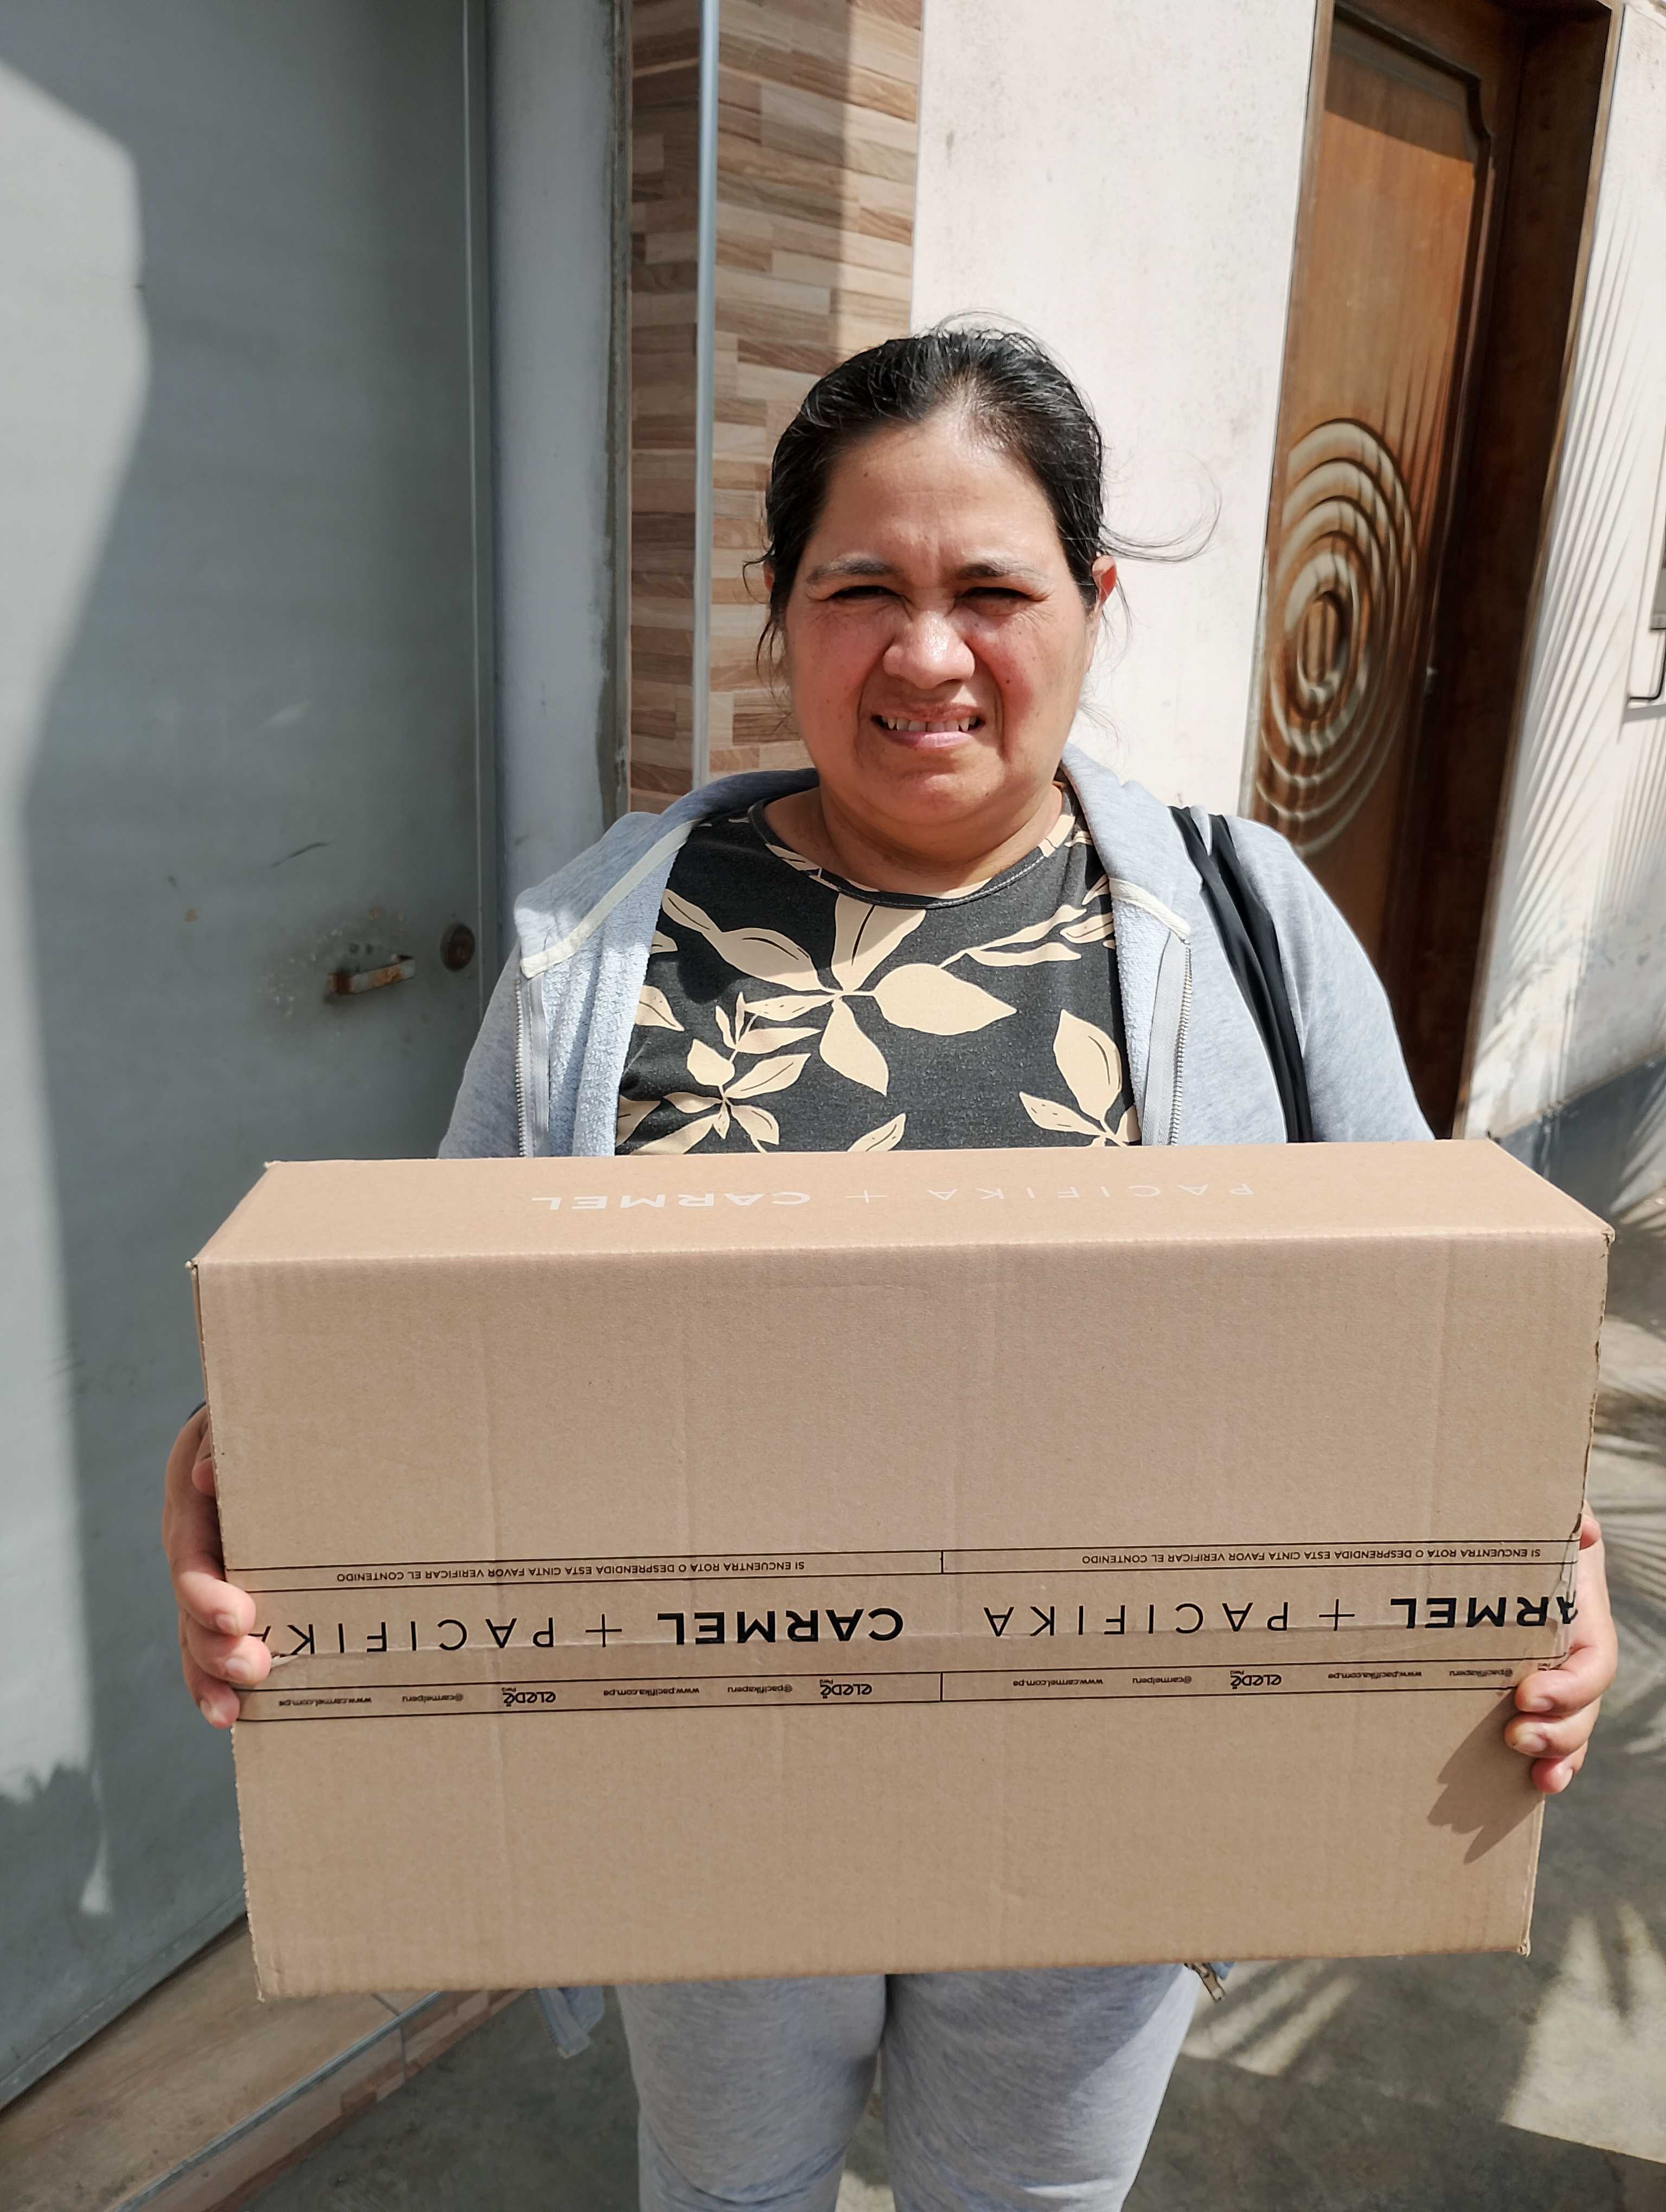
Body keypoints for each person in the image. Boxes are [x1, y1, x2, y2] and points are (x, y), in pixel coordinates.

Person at [163, 326, 1617, 2211]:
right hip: (705, 1792)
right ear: (781, 615)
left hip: (1109, 1807)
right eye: (863, 592)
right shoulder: (608, 949)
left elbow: (1441, 1337)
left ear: (1092, 606)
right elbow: (422, 1353)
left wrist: (1543, 1569)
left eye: (991, 591)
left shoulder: (1249, 926)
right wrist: (259, 1506)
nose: (927, 656)